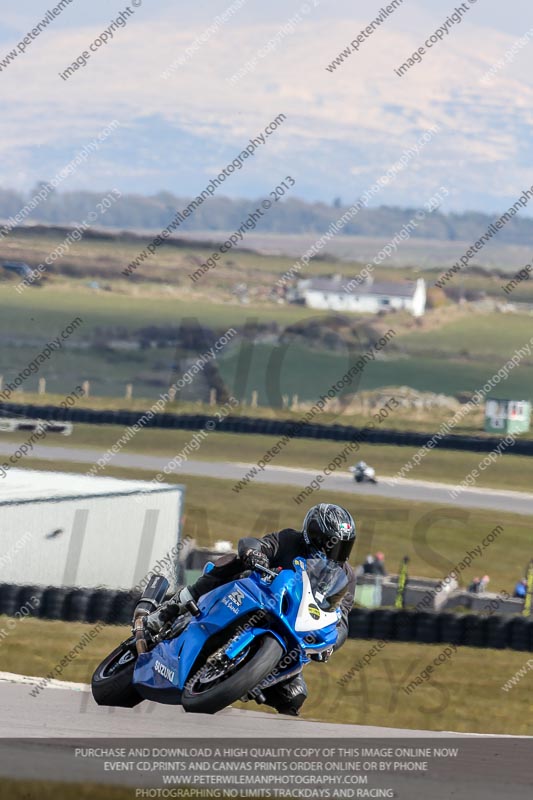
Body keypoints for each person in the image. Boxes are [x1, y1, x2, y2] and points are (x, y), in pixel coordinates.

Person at [146, 502, 357, 716]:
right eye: (331, 543)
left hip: (293, 632)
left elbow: (341, 620)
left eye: (343, 545)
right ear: (314, 535)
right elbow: (256, 544)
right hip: (257, 598)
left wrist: (330, 645)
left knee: (294, 696)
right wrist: (254, 554)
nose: (335, 550)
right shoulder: (290, 540)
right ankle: (174, 607)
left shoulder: (346, 576)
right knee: (235, 563)